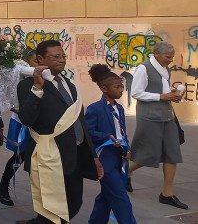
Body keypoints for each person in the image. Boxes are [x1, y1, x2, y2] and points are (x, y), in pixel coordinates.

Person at [16, 40, 102, 224]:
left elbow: (81, 122)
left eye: (62, 56)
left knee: (74, 203)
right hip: (49, 156)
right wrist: (38, 89)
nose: (61, 60)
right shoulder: (28, 86)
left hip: (74, 154)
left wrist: (93, 155)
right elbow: (26, 118)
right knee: (51, 209)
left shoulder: (70, 85)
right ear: (40, 59)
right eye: (55, 57)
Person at [129, 41, 187, 209]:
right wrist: (161, 97)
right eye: (168, 57)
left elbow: (163, 89)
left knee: (172, 153)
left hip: (167, 116)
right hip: (149, 117)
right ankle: (125, 172)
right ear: (157, 54)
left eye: (172, 57)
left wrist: (173, 95)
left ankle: (167, 194)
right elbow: (136, 92)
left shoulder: (165, 68)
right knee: (148, 154)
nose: (170, 60)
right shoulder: (144, 68)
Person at [85, 64, 136, 224]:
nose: (121, 90)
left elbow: (122, 132)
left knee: (106, 197)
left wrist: (127, 148)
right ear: (104, 88)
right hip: (105, 158)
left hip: (120, 158)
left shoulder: (120, 108)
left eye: (122, 86)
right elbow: (88, 132)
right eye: (117, 87)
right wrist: (107, 137)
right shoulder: (95, 109)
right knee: (121, 198)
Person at [0, 49, 38, 207]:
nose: (38, 64)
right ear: (27, 62)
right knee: (20, 156)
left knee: (33, 157)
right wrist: (18, 110)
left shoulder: (39, 76)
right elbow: (7, 97)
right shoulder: (19, 73)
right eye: (35, 61)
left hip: (38, 123)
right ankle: (3, 187)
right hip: (22, 122)